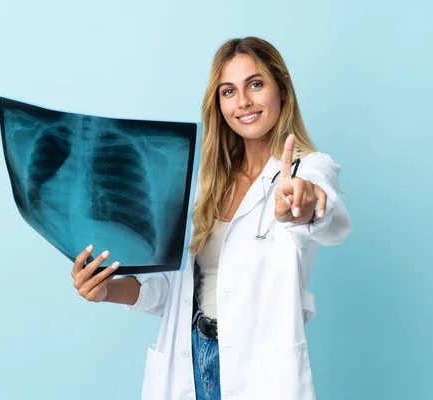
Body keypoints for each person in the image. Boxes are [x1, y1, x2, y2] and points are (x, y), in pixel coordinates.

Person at [70, 36, 351, 399]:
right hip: (189, 358)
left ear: (281, 88)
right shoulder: (207, 182)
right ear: (218, 103)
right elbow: (168, 291)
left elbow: (333, 221)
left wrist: (305, 203)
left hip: (257, 373)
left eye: (255, 84)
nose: (244, 102)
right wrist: (106, 289)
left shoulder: (308, 168)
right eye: (228, 91)